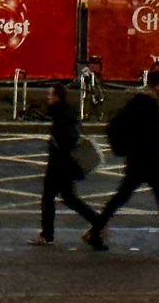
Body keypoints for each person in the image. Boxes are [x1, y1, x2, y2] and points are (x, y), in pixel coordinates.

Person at [84, 69, 159, 252]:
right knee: (137, 199)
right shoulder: (143, 104)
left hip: (144, 162)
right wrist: (128, 149)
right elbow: (147, 136)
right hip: (144, 162)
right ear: (157, 86)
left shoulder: (148, 103)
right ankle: (95, 232)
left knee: (149, 200)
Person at [32, 84, 99, 245]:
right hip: (63, 163)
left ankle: (47, 234)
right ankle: (97, 222)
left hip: (60, 164)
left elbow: (66, 139)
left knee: (50, 198)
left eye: (50, 95)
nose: (48, 98)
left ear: (57, 97)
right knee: (69, 198)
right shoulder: (63, 112)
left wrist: (55, 143)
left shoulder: (62, 114)